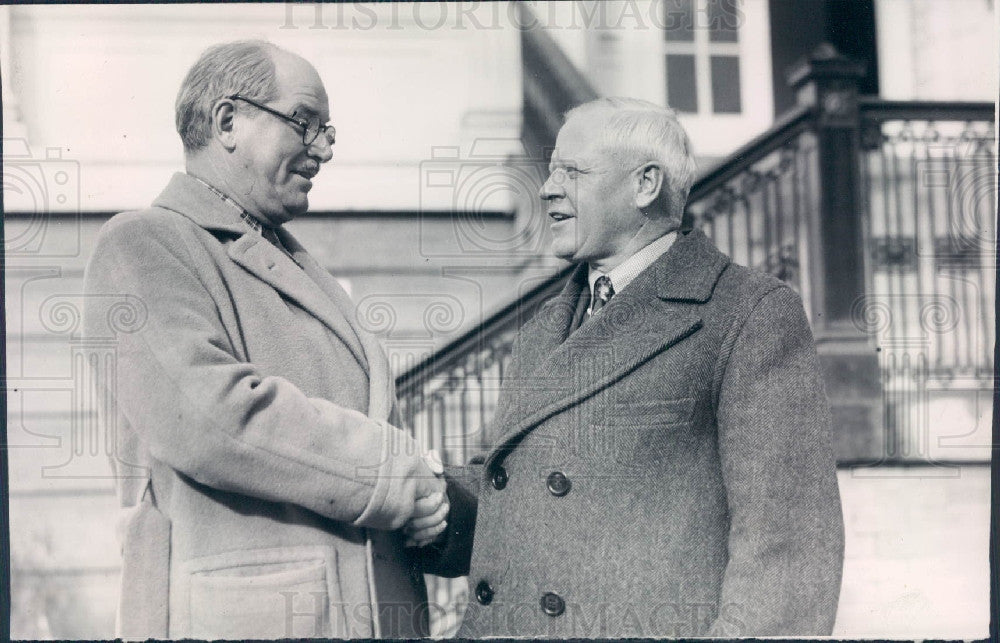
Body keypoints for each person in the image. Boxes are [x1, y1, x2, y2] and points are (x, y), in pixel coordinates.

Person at [406, 97, 845, 637]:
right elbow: (511, 498)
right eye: (550, 171)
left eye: (572, 171)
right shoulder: (545, 324)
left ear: (645, 185)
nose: (547, 188)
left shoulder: (746, 312)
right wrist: (432, 502)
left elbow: (788, 547)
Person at [82, 40, 447, 639]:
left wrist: (427, 501)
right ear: (228, 121)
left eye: (328, 131)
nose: (323, 150)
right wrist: (394, 475)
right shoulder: (143, 243)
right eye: (305, 123)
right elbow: (209, 418)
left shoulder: (294, 263)